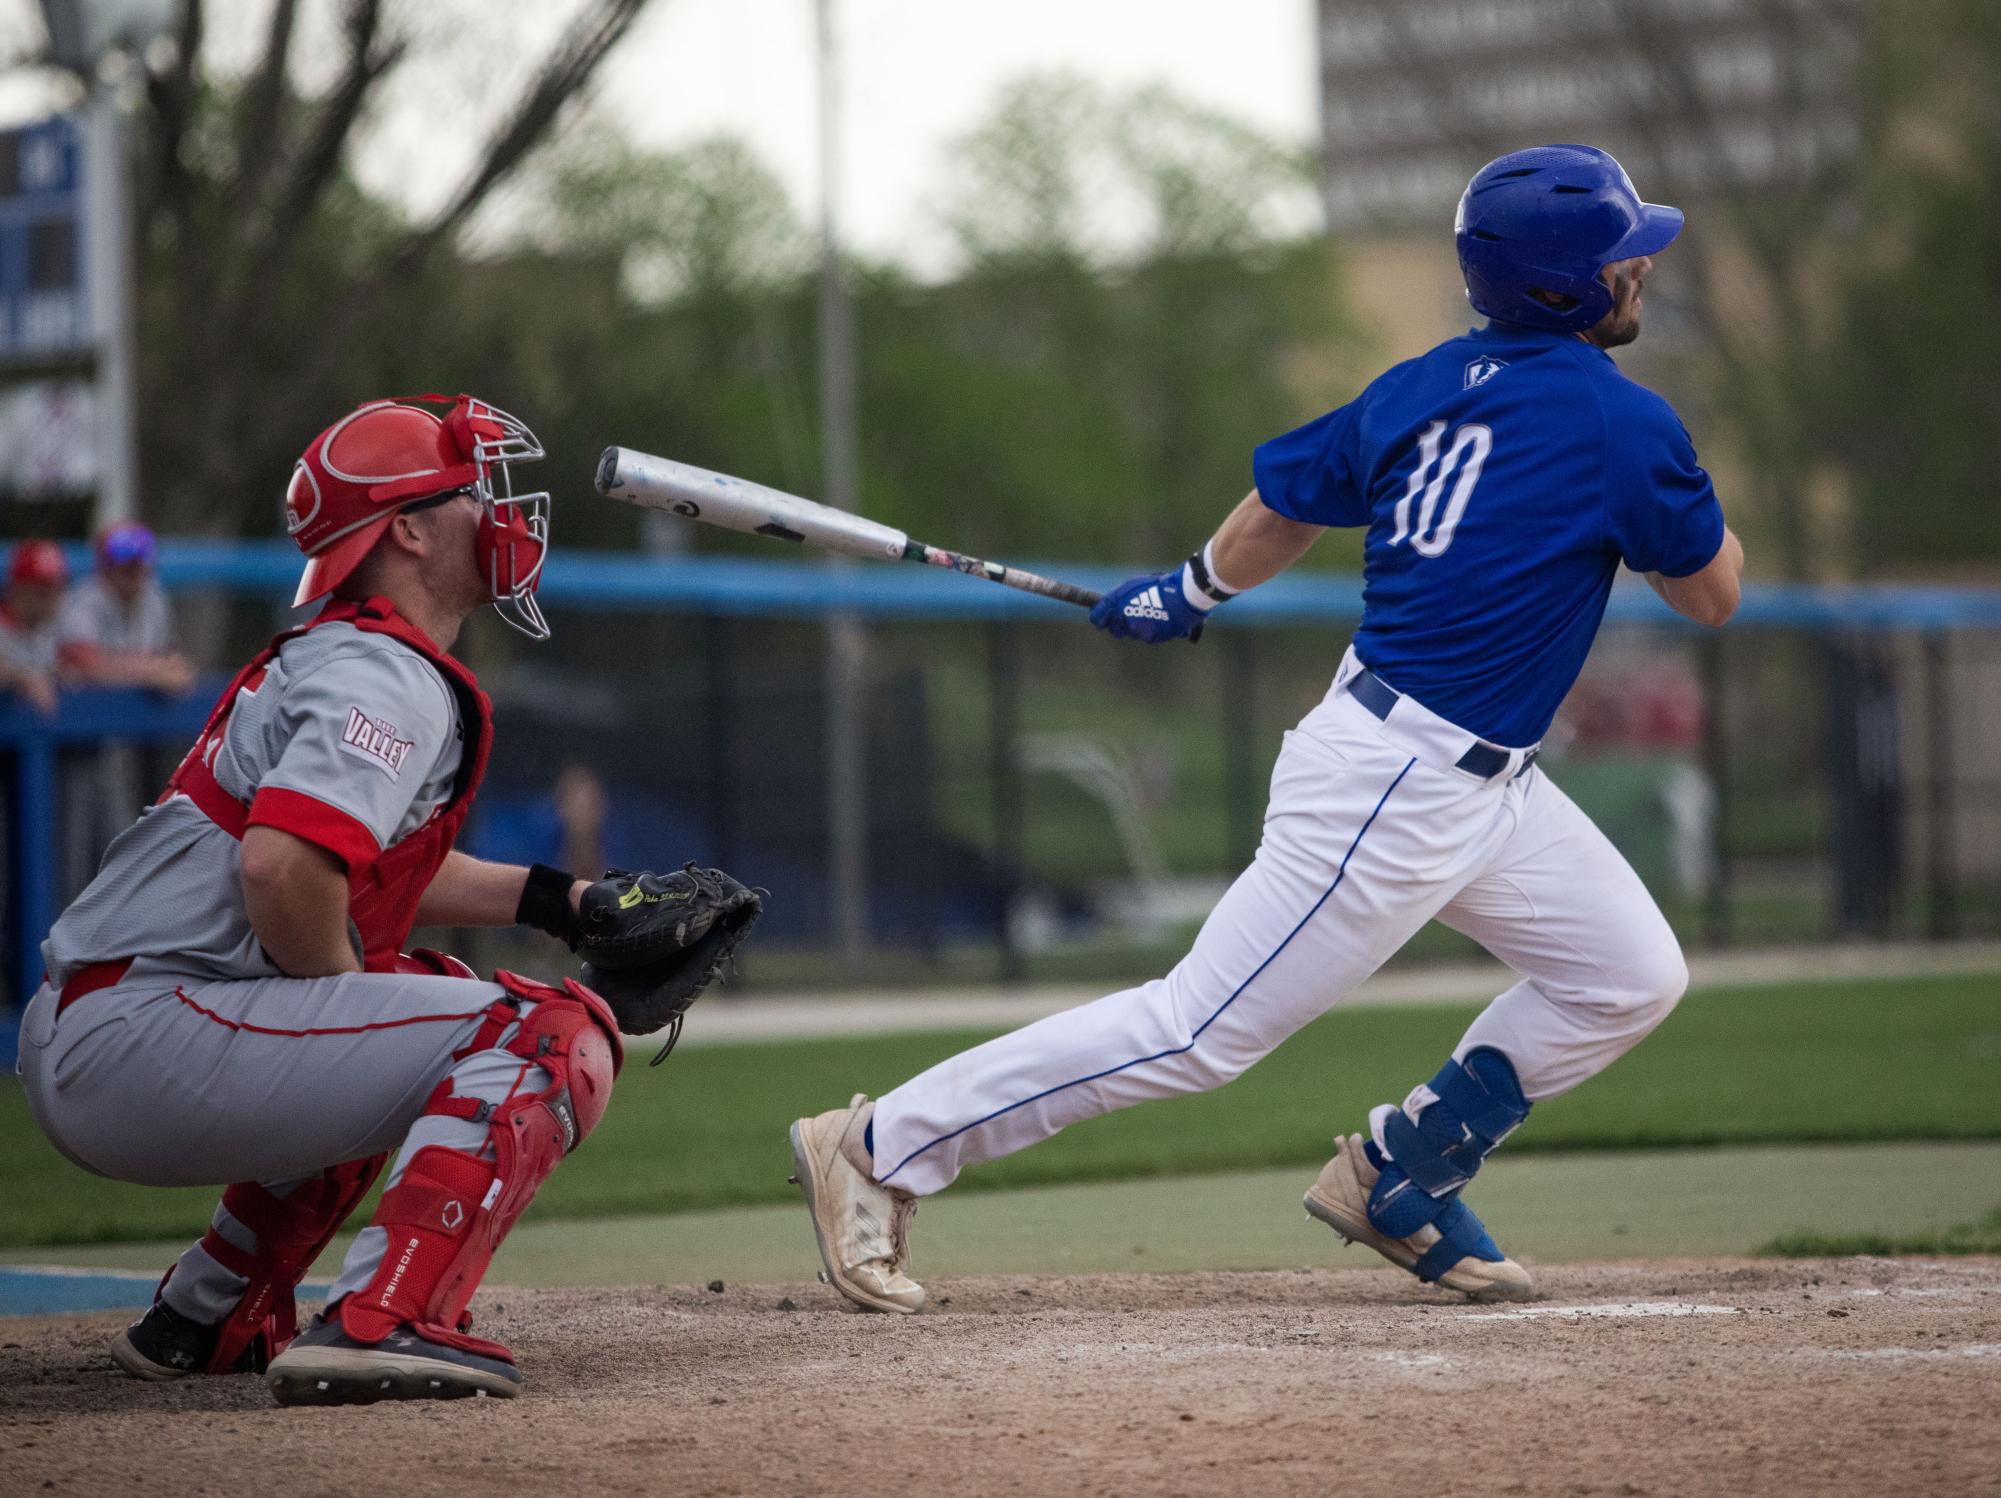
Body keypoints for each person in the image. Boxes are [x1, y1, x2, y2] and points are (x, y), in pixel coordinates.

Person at [790, 144, 1743, 1311]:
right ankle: (881, 1143)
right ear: (1568, 287)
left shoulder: (1419, 385)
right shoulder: (1625, 424)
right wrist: (1682, 490)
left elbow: (1285, 500)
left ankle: (1402, 1173)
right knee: (1196, 1031)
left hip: (1479, 783)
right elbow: (1713, 594)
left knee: (1629, 974)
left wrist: (1191, 585)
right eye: (1623, 258)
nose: (1639, 271)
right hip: (1397, 787)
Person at [16, 394, 759, 1404]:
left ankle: (207, 1312)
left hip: (120, 1021)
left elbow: (346, 865)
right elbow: (283, 869)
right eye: (471, 491)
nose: (499, 510)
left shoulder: (352, 652)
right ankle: (386, 1317)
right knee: (543, 1035)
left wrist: (565, 900)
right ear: (406, 527)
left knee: (425, 1001)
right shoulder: (382, 668)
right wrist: (345, 994)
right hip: (143, 1029)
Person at [56, 521, 195, 694]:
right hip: (86, 709)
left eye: (139, 559)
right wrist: (152, 672)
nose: (133, 568)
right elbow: (84, 664)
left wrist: (172, 668)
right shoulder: (84, 600)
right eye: (125, 559)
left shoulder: (153, 598)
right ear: (105, 564)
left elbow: (172, 659)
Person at [0, 540, 69, 713]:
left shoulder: (55, 625)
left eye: (56, 586)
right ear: (17, 587)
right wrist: (22, 676)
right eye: (42, 589)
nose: (52, 596)